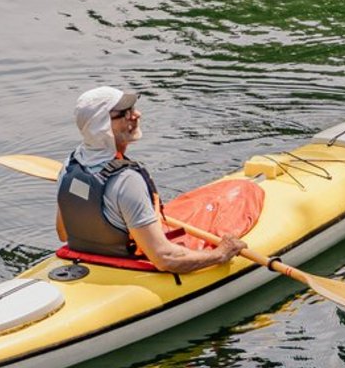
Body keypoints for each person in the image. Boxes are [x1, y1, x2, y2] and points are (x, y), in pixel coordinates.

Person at [56, 86, 246, 273]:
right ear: (102, 126)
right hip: (130, 266)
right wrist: (221, 254)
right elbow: (165, 259)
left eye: (133, 109)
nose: (136, 115)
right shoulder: (127, 180)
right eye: (125, 113)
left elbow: (63, 233)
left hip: (84, 259)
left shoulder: (70, 166)